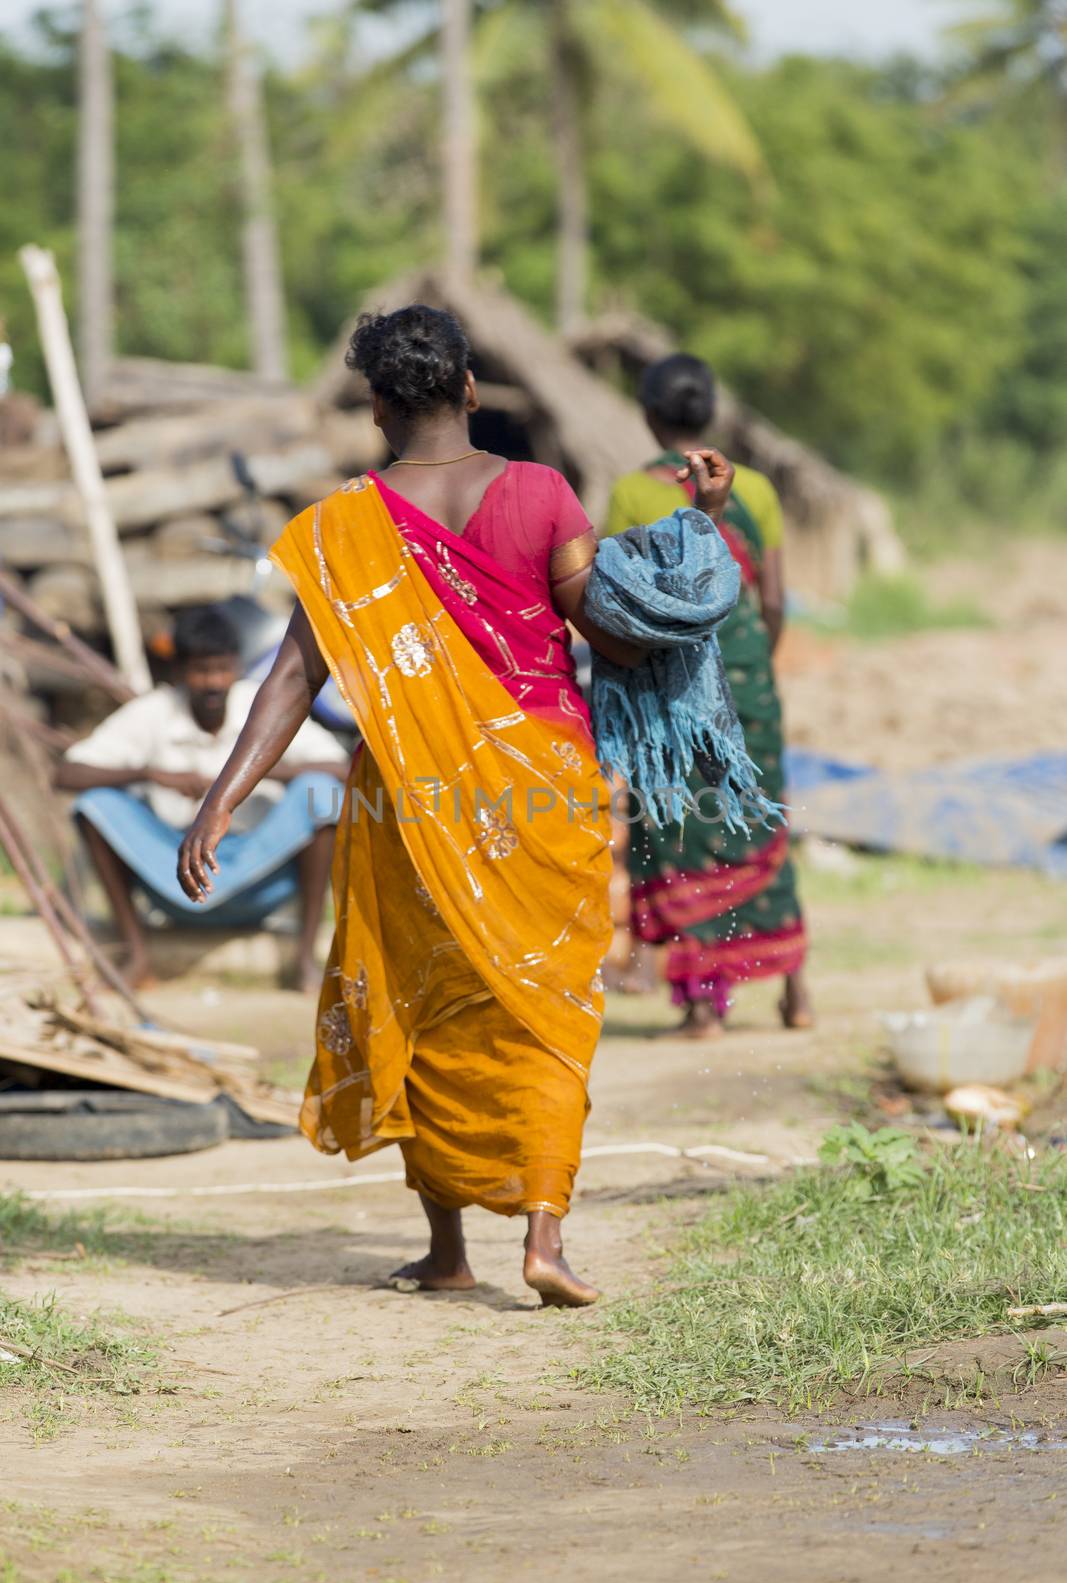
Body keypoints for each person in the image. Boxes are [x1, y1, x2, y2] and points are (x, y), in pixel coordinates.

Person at [176, 304, 732, 1306]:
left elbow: (292, 678)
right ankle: (544, 1236)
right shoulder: (540, 493)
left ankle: (446, 1250)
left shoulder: (343, 528)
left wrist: (220, 802)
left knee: (420, 1002)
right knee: (545, 1009)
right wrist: (701, 537)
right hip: (539, 790)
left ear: (380, 406)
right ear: (470, 389)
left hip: (414, 802)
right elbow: (612, 635)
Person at [606, 353, 812, 1039]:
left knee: (680, 828)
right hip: (749, 673)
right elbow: (774, 600)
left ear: (647, 414)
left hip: (673, 683)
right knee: (760, 821)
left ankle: (701, 1007)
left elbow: (616, 602)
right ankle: (794, 994)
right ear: (712, 412)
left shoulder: (632, 495)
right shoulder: (753, 487)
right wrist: (752, 666)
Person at [58, 605, 349, 991]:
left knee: (322, 794)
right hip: (173, 879)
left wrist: (244, 778)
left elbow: (342, 767)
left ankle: (304, 960)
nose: (213, 682)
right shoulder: (153, 713)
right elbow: (67, 773)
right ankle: (137, 954)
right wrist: (153, 775)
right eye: (201, 670)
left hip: (258, 877)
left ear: (238, 668)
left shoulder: (261, 704)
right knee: (95, 806)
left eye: (222, 669)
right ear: (179, 673)